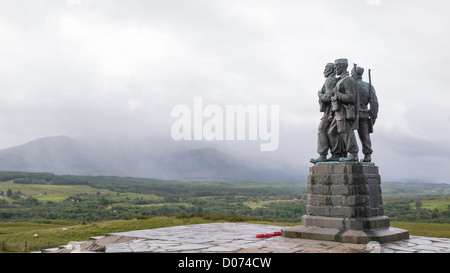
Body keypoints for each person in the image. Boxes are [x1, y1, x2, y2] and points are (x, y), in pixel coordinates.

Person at [327, 58, 359, 162]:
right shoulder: (341, 80)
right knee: (332, 133)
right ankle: (336, 154)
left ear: (341, 67)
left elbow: (351, 97)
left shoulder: (348, 80)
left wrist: (337, 94)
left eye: (336, 67)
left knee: (346, 132)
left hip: (344, 111)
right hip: (337, 111)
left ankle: (353, 154)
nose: (335, 69)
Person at [310, 63, 337, 163]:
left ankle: (323, 155)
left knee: (322, 130)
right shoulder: (334, 79)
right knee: (332, 133)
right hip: (333, 111)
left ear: (331, 70)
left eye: (326, 69)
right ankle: (335, 154)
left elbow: (328, 97)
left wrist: (320, 95)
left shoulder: (330, 80)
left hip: (330, 112)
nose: (324, 71)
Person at [351, 66, 379, 162]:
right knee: (365, 135)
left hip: (352, 114)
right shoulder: (368, 86)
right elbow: (374, 102)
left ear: (354, 73)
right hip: (365, 114)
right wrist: (374, 116)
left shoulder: (352, 85)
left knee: (349, 134)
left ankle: (352, 154)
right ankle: (368, 155)